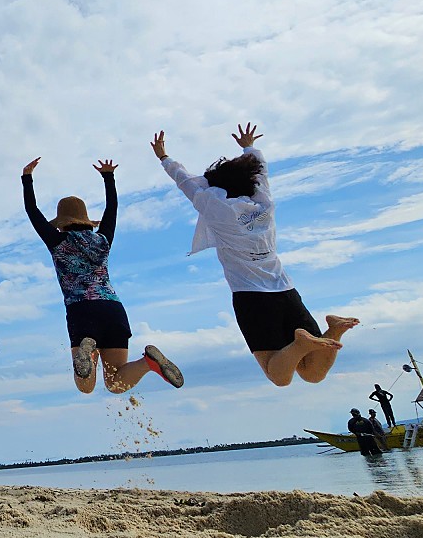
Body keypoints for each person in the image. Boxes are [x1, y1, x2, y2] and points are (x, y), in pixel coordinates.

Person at [152, 123, 358, 387]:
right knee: (313, 374)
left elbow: (185, 181)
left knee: (279, 377)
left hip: (251, 297)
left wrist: (164, 157)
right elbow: (261, 172)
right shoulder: (264, 203)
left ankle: (301, 344)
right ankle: (335, 329)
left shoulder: (215, 206)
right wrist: (249, 147)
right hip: (286, 290)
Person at [21, 155, 182, 394]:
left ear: (61, 224)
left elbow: (33, 212)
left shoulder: (57, 241)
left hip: (81, 310)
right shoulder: (103, 240)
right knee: (116, 383)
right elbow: (111, 210)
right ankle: (147, 363)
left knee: (86, 387)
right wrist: (109, 177)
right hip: (113, 310)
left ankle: (87, 353)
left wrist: (27, 178)